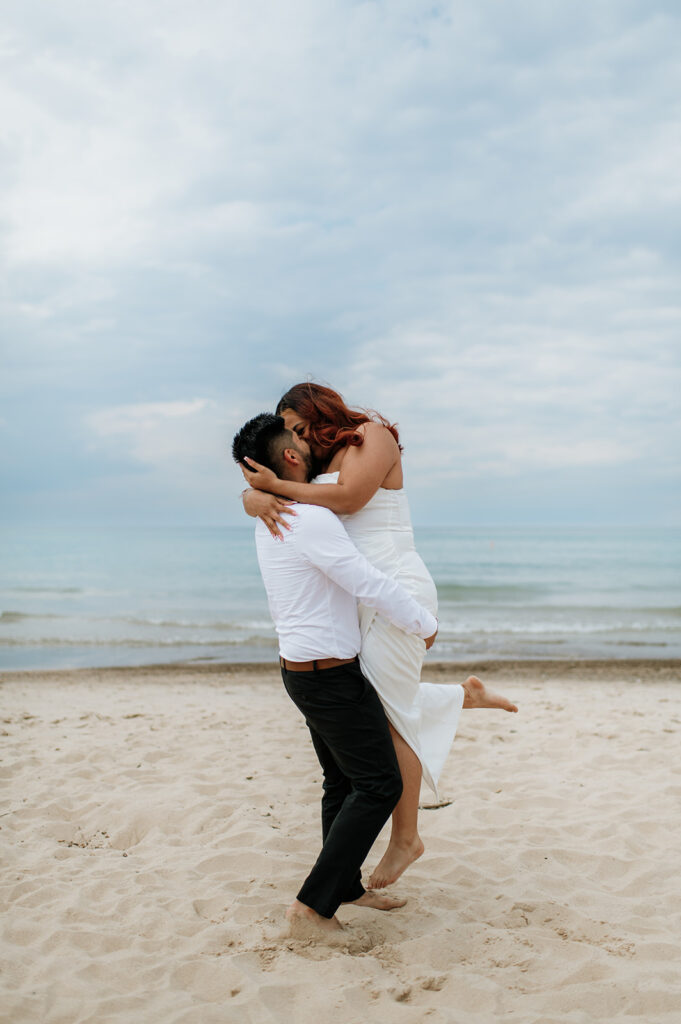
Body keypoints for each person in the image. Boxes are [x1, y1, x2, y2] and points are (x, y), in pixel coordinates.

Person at [241, 383, 518, 889]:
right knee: (372, 705)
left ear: (318, 408)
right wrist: (252, 495)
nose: (299, 439)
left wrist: (271, 491)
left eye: (300, 427)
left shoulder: (373, 435)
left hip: (396, 592)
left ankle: (405, 838)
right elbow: (290, 487)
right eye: (292, 435)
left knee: (389, 719)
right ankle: (463, 695)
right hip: (361, 600)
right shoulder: (315, 464)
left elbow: (349, 499)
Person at [232, 412, 441, 932]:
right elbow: (365, 580)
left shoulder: (274, 516)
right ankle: (311, 907)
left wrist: (254, 496)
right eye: (300, 437)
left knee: (341, 782)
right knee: (377, 786)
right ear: (290, 457)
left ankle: (344, 887)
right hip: (328, 676)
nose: (308, 443)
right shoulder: (309, 517)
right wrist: (421, 622)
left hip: (302, 671)